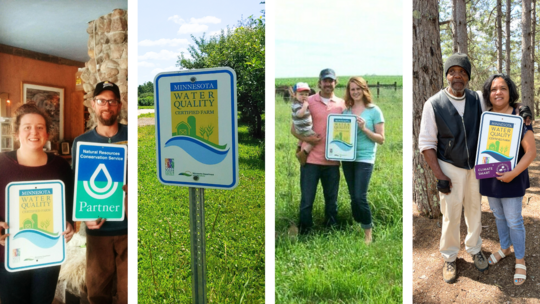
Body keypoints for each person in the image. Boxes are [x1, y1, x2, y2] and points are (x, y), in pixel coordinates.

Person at [418, 53, 489, 284]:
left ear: (468, 76)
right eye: (452, 71)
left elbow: (501, 108)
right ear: (446, 75)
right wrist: (440, 176)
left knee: (474, 210)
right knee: (450, 215)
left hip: (475, 167)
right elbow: (427, 144)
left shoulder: (478, 98)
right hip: (450, 167)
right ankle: (449, 257)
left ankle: (474, 248)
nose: (457, 76)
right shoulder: (434, 104)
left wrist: (522, 112)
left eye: (462, 72)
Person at [0, 103, 74, 304]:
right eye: (27, 127)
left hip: (48, 255)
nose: (34, 132)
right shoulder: (1, 164)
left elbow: (68, 206)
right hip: (9, 255)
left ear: (47, 133)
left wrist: (69, 225)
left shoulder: (60, 166)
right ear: (16, 133)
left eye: (40, 127)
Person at [71, 81, 127, 304]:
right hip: (97, 232)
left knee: (128, 294)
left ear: (119, 105)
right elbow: (78, 186)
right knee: (96, 294)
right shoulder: (80, 143)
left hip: (129, 230)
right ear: (93, 104)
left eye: (112, 101)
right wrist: (83, 215)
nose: (107, 105)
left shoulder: (133, 136)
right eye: (101, 100)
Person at [479, 74, 535, 285]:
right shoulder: (485, 115)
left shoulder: (519, 115)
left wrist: (512, 174)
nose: (498, 92)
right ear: (488, 94)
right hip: (490, 177)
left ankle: (520, 259)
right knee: (499, 216)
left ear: (510, 92)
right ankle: (504, 248)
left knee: (514, 220)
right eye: (493, 89)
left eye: (502, 88)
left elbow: (530, 152)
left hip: (513, 177)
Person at [291, 68, 346, 234]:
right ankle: (305, 231)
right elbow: (294, 130)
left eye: (331, 81)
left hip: (332, 161)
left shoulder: (342, 104)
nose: (328, 84)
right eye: (325, 81)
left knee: (332, 200)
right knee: (307, 200)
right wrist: (309, 140)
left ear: (335, 83)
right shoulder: (308, 101)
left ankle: (331, 230)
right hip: (310, 161)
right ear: (319, 83)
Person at [341, 77, 385, 244]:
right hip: (347, 158)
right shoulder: (346, 112)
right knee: (353, 196)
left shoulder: (374, 111)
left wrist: (364, 128)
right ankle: (358, 224)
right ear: (349, 92)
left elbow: (381, 139)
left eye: (358, 88)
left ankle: (368, 234)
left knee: (360, 197)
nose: (355, 92)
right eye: (352, 89)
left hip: (365, 158)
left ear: (364, 90)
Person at [291, 82, 318, 165]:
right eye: (301, 94)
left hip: (301, 128)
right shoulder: (298, 105)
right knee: (316, 137)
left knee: (304, 134)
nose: (304, 96)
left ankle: (299, 146)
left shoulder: (299, 103)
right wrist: (305, 106)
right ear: (295, 95)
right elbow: (300, 114)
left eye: (306, 94)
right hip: (303, 128)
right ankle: (304, 153)